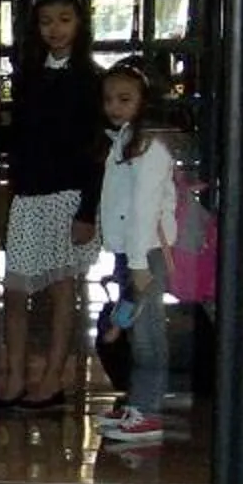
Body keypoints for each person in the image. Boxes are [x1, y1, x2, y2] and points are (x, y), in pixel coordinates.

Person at [0, 0, 105, 410]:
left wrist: (87, 211)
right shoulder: (26, 75)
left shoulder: (90, 80)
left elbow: (97, 152)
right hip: (28, 194)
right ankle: (15, 374)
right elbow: (17, 136)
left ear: (80, 25)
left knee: (64, 290)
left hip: (69, 197)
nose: (55, 29)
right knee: (16, 290)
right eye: (46, 21)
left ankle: (54, 378)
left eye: (65, 19)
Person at [91, 62, 182, 448]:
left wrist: (140, 265)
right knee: (133, 327)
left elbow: (144, 207)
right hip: (133, 251)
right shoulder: (127, 139)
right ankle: (139, 405)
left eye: (124, 99)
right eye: (109, 99)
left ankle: (148, 410)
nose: (114, 106)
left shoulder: (148, 146)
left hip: (144, 251)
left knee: (148, 336)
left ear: (144, 101)